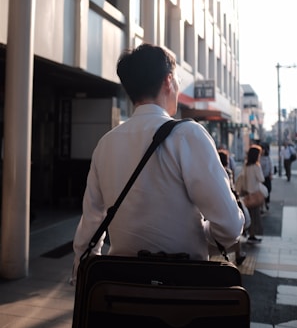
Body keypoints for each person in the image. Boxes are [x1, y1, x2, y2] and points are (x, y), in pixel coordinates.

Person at [71, 43, 244, 283]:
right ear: (168, 80)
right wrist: (201, 234)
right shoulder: (188, 135)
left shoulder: (105, 144)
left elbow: (90, 225)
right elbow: (230, 226)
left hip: (121, 290)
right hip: (182, 289)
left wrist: (82, 271)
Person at [217, 149, 246, 265]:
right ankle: (238, 254)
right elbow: (232, 188)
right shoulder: (228, 172)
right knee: (235, 228)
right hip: (229, 202)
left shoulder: (215, 171)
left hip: (217, 203)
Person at [239, 145, 266, 244]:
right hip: (254, 195)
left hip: (246, 194)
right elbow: (261, 179)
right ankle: (252, 235)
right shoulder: (256, 166)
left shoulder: (246, 165)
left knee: (246, 215)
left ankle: (246, 232)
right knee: (254, 216)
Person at [260, 143, 273, 211]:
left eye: (263, 149)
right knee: (262, 191)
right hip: (260, 177)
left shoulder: (268, 157)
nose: (262, 151)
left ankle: (267, 202)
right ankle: (262, 203)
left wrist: (271, 173)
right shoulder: (258, 157)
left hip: (267, 176)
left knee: (268, 189)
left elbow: (271, 166)